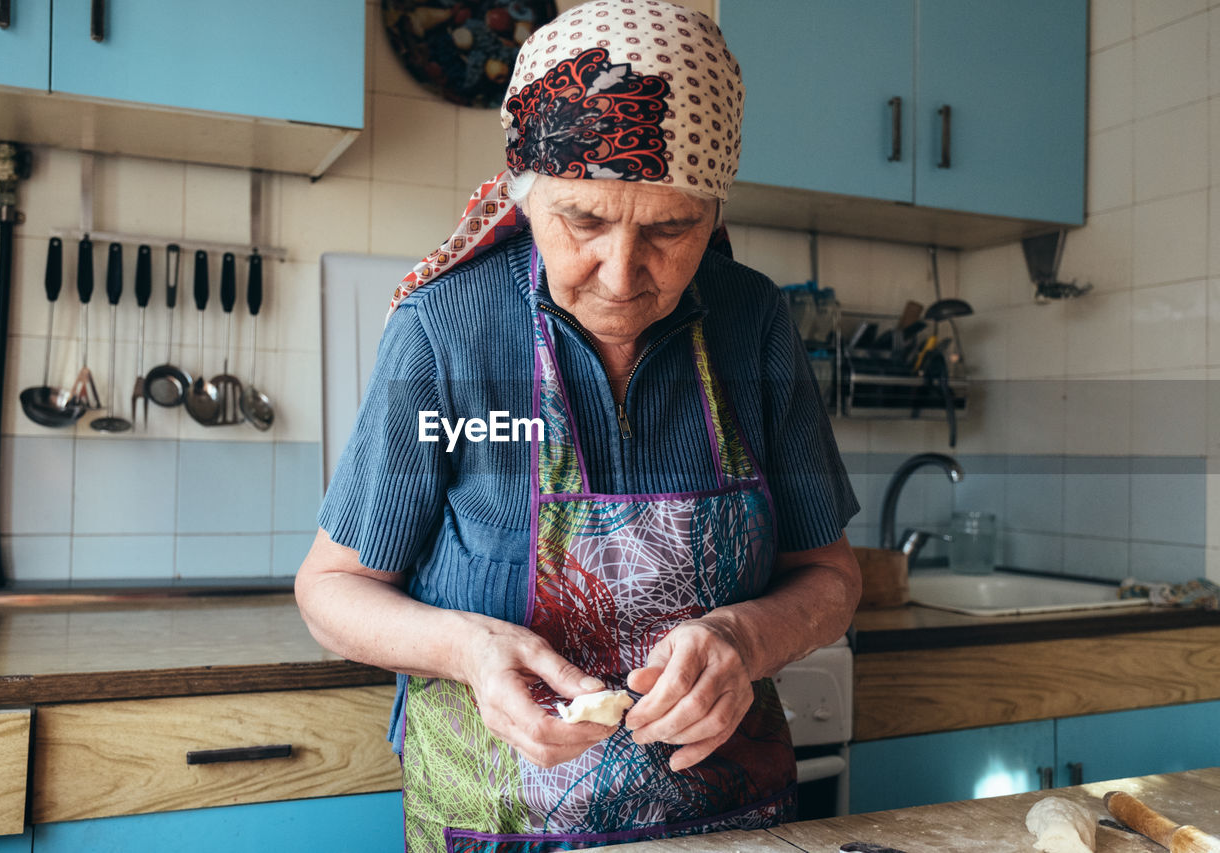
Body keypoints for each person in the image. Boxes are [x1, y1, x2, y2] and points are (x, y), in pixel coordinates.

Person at [296, 1, 862, 850]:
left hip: (727, 822)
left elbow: (830, 575)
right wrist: (469, 648)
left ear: (713, 211)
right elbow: (331, 590)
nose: (622, 272)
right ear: (526, 198)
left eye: (670, 228)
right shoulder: (446, 330)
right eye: (584, 220)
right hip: (492, 824)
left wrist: (743, 637)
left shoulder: (754, 324)